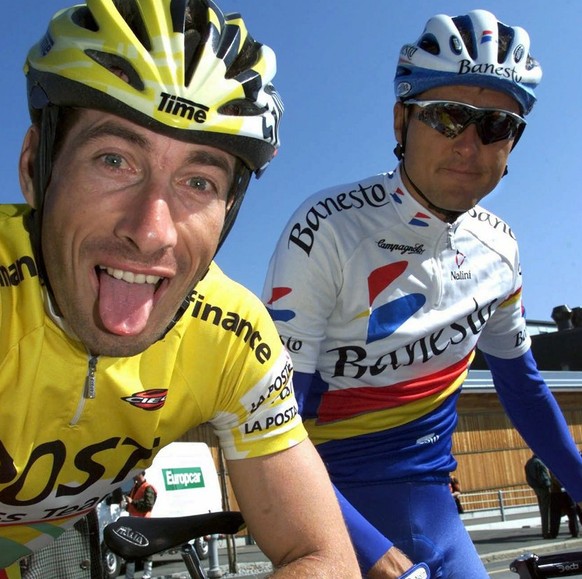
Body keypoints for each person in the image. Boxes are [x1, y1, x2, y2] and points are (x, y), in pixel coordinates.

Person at [0, 1, 360, 578]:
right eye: (113, 159)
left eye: (198, 181)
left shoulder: (231, 334)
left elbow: (323, 558)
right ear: (33, 169)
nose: (150, 231)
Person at [262, 8, 582, 578]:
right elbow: (273, 426)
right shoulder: (326, 230)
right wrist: (377, 558)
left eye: (496, 126)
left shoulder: (501, 251)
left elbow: (525, 391)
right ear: (400, 121)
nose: (469, 145)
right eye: (447, 117)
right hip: (319, 491)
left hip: (430, 497)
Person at [124, 472, 157, 579]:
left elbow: (148, 505)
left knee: (146, 548)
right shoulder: (135, 487)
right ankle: (129, 576)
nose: (133, 475)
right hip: (133, 522)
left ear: (140, 473)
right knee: (130, 549)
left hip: (144, 523)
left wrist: (133, 502)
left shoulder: (148, 488)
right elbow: (131, 505)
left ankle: (147, 575)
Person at [525, 454, 552, 538]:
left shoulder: (529, 463)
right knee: (547, 510)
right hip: (544, 488)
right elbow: (544, 478)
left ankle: (545, 531)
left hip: (536, 488)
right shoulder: (540, 463)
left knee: (543, 510)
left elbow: (528, 478)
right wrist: (549, 486)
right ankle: (547, 531)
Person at [548, 471, 579, 539]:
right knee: (568, 512)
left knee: (569, 513)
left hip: (559, 492)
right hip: (561, 491)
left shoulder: (553, 466)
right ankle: (574, 532)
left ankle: (574, 531)